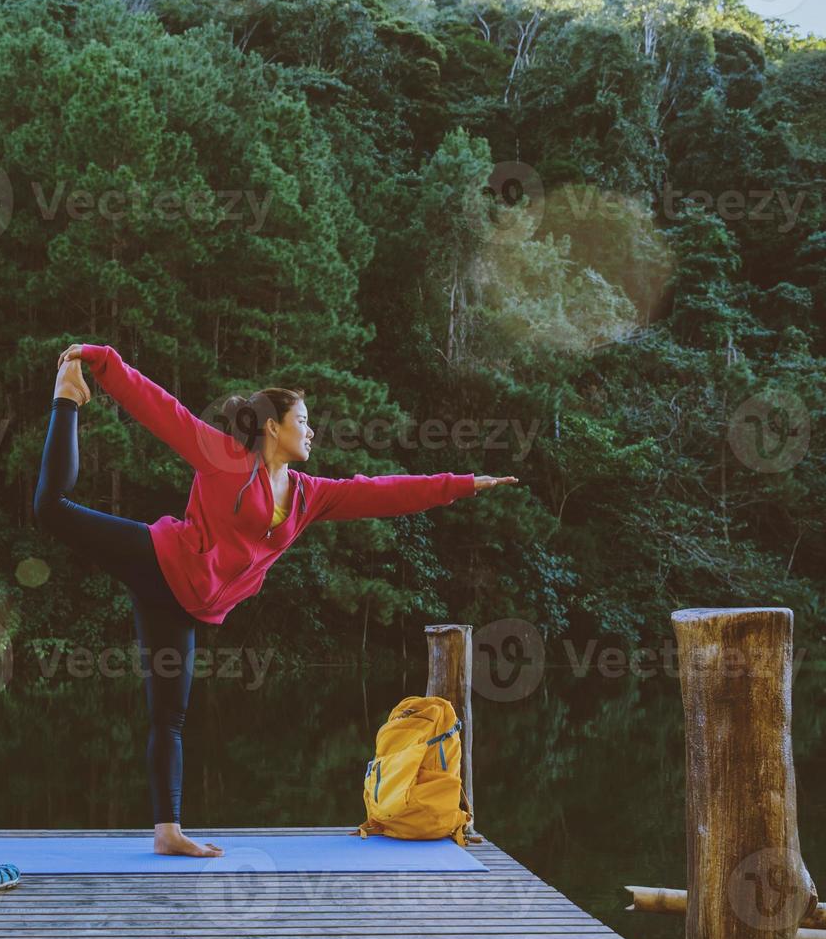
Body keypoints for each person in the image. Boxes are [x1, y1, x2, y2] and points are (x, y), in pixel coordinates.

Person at [32, 342, 519, 857]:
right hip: (159, 560)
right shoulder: (224, 459)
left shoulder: (310, 496)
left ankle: (167, 832)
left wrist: (464, 484)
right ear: (271, 426)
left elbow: (385, 492)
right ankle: (66, 398)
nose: (311, 431)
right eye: (303, 420)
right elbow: (161, 409)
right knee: (51, 509)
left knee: (169, 716)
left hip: (187, 606)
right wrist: (101, 359)